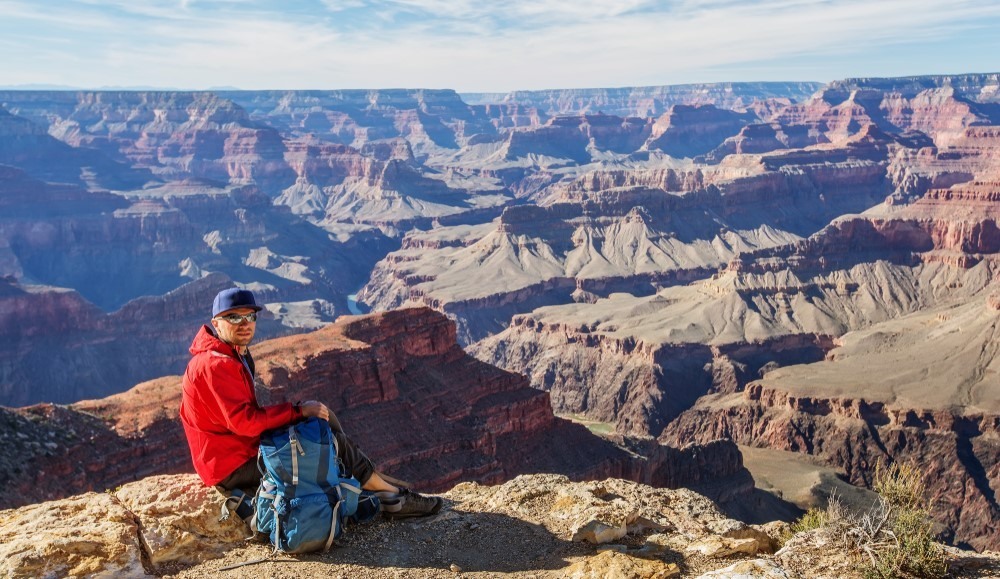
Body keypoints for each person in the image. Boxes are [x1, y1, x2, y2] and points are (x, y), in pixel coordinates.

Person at [179, 287, 442, 520]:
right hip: (232, 465)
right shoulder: (217, 364)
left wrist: (300, 415)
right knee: (328, 441)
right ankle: (394, 496)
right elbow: (246, 423)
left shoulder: (230, 354)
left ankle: (380, 486)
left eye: (250, 316)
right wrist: (297, 411)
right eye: (234, 317)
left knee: (317, 426)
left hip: (234, 451)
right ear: (216, 323)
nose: (245, 323)